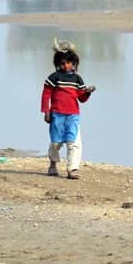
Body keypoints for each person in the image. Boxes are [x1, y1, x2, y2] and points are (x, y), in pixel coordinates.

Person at [41, 43, 95, 179]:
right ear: (58, 63)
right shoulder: (54, 78)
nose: (66, 66)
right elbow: (46, 95)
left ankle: (72, 169)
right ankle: (53, 165)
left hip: (73, 115)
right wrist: (46, 112)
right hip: (57, 115)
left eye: (69, 63)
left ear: (74, 63)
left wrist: (87, 92)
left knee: (74, 143)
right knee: (56, 142)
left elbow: (81, 98)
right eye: (63, 63)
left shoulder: (77, 79)